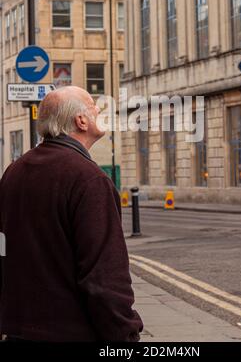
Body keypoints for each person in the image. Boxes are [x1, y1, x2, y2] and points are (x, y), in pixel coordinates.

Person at [0, 86, 143, 342]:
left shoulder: (14, 172)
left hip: (17, 331)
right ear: (81, 120)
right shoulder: (90, 179)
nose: (99, 108)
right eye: (92, 105)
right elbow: (104, 275)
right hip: (70, 332)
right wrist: (125, 336)